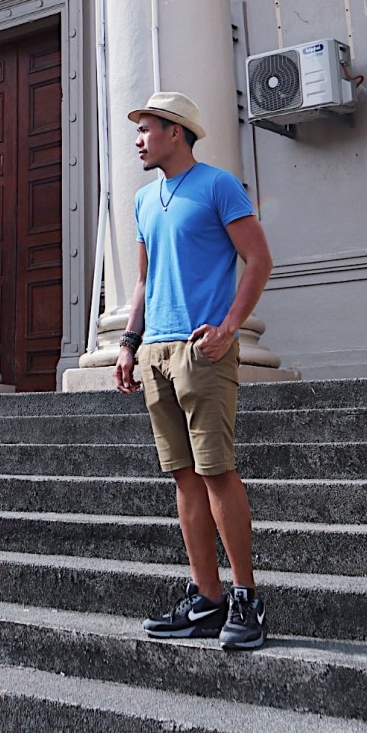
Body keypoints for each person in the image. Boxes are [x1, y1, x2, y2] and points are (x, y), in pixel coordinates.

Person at [114, 92, 274, 651]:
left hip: (202, 349)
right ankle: (206, 597)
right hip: (155, 351)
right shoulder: (142, 199)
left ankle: (246, 597)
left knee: (215, 472)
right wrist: (129, 343)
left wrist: (230, 326)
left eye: (146, 129)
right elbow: (143, 281)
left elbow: (259, 259)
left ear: (176, 132)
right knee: (183, 476)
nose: (138, 139)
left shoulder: (217, 186)